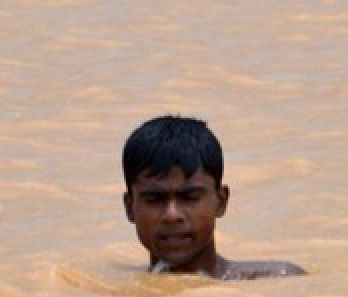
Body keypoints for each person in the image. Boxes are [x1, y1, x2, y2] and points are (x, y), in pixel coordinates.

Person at [122, 115, 306, 280]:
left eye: (190, 197)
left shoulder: (277, 280)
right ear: (130, 208)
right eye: (154, 199)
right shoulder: (115, 291)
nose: (172, 215)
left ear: (221, 201)